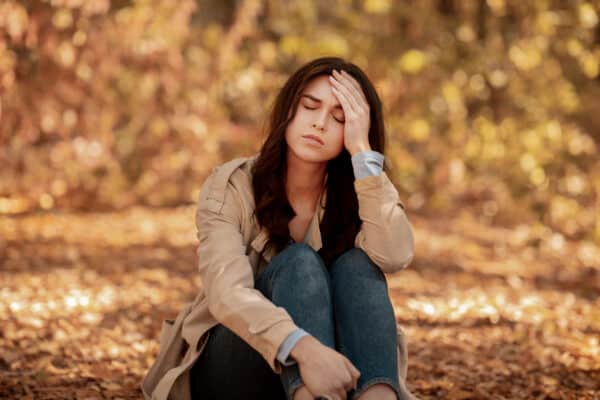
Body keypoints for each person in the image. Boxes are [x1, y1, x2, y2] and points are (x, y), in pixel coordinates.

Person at [141, 56, 417, 400]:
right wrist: (304, 348)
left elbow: (394, 256)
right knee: (299, 263)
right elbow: (226, 293)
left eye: (340, 118)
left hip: (335, 374)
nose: (319, 123)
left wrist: (362, 152)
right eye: (309, 107)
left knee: (359, 266)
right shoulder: (232, 186)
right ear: (288, 110)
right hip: (239, 361)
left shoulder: (362, 193)